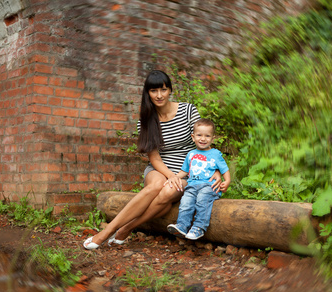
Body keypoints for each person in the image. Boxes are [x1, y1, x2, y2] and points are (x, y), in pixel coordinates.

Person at [83, 70, 222, 249]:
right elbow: (154, 158)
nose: (159, 95)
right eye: (153, 91)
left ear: (170, 90)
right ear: (147, 93)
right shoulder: (146, 120)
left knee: (166, 195)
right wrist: (171, 176)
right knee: (157, 186)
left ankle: (126, 228)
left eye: (163, 90)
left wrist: (216, 170)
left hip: (190, 173)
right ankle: (106, 232)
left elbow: (204, 142)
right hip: (159, 169)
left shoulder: (188, 111)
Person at [166, 119, 231, 240]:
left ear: (213, 138)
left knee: (202, 200)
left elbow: (224, 169)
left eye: (207, 136)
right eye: (199, 135)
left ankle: (199, 227)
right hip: (191, 186)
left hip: (209, 186)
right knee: (185, 202)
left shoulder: (215, 154)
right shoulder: (190, 154)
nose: (203, 139)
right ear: (193, 137)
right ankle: (182, 226)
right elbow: (185, 171)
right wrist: (174, 177)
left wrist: (227, 181)